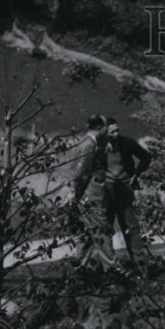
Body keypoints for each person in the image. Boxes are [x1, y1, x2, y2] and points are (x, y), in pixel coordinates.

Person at [102, 117, 152, 266]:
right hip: (106, 191)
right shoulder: (99, 147)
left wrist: (136, 174)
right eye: (112, 132)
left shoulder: (127, 142)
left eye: (117, 130)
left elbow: (146, 157)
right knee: (106, 226)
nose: (116, 134)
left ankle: (140, 264)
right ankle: (111, 267)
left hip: (125, 189)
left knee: (131, 226)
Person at [71, 114, 114, 266]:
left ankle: (80, 267)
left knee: (86, 231)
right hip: (90, 194)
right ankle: (111, 266)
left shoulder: (87, 142)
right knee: (100, 228)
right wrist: (77, 195)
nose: (107, 130)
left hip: (86, 193)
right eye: (105, 127)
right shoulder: (89, 145)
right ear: (99, 128)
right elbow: (81, 174)